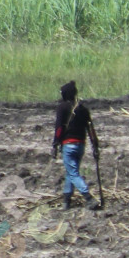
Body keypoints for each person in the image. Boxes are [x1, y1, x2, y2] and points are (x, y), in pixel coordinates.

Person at [52, 82, 99, 210]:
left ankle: (89, 197)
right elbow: (90, 129)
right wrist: (95, 146)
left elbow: (59, 128)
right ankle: (66, 200)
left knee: (72, 173)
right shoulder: (83, 109)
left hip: (68, 145)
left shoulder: (62, 108)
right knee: (71, 172)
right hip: (81, 145)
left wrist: (55, 144)